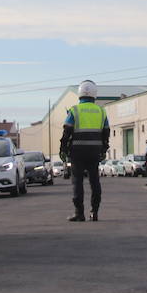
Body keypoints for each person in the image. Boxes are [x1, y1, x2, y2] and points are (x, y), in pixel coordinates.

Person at [60, 79, 110, 222]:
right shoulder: (101, 111)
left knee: (77, 182)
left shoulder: (74, 110)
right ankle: (94, 212)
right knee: (95, 182)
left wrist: (63, 149)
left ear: (80, 94)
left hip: (77, 152)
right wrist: (103, 149)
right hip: (94, 152)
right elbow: (106, 133)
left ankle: (79, 213)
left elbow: (67, 132)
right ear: (94, 94)